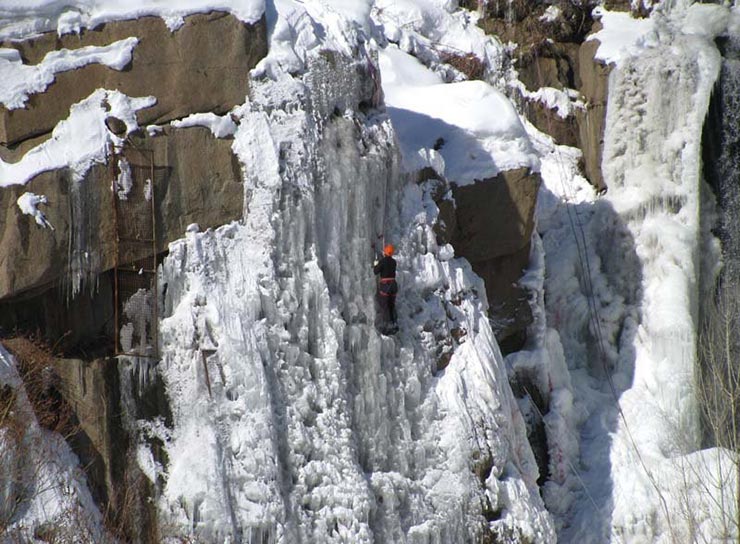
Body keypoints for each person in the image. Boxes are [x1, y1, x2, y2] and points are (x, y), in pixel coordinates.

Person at [373, 244, 398, 332]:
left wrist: (376, 264)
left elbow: (376, 271)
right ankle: (394, 323)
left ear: (385, 252)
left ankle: (386, 325)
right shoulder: (394, 262)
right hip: (393, 285)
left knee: (384, 305)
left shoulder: (383, 261)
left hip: (386, 285)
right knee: (391, 305)